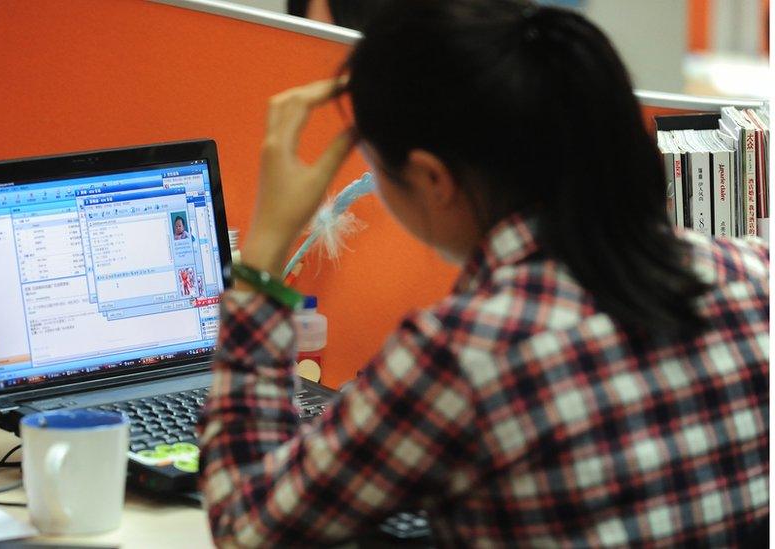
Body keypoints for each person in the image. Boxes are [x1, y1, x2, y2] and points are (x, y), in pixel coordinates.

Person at [197, 0, 769, 547]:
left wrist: (265, 252)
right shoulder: (756, 277)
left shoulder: (464, 355)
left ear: (432, 180)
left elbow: (248, 525)